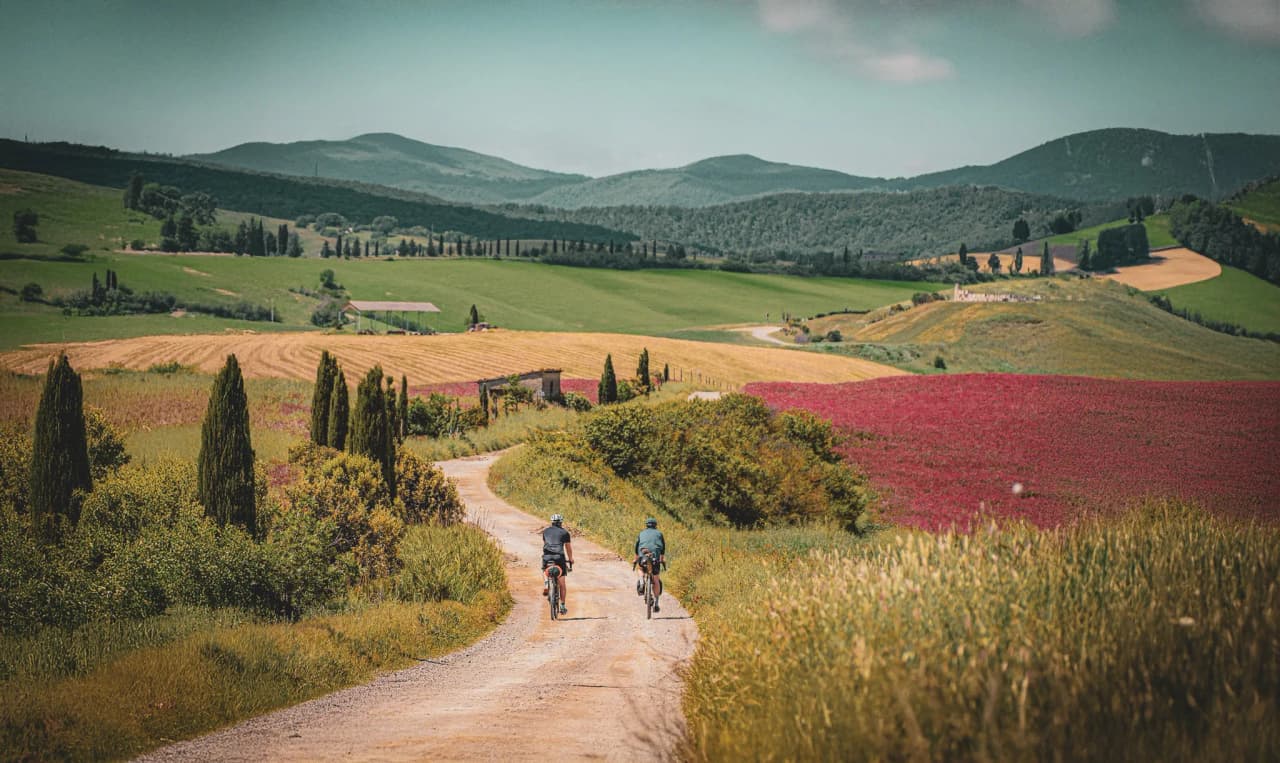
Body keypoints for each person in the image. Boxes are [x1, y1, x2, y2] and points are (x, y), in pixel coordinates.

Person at [542, 513, 573, 615]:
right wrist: (571, 559)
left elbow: (546, 543)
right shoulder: (565, 533)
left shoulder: (545, 531)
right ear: (560, 523)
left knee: (544, 570)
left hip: (547, 556)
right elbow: (568, 548)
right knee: (562, 583)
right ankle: (562, 605)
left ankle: (546, 583)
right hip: (559, 557)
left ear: (552, 522)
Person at [634, 517, 666, 613]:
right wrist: (661, 560)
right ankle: (656, 603)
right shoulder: (659, 534)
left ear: (646, 525)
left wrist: (635, 559)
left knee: (640, 569)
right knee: (656, 579)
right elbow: (662, 550)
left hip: (643, 557)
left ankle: (642, 581)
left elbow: (636, 548)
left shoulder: (641, 533)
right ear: (655, 525)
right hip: (655, 559)